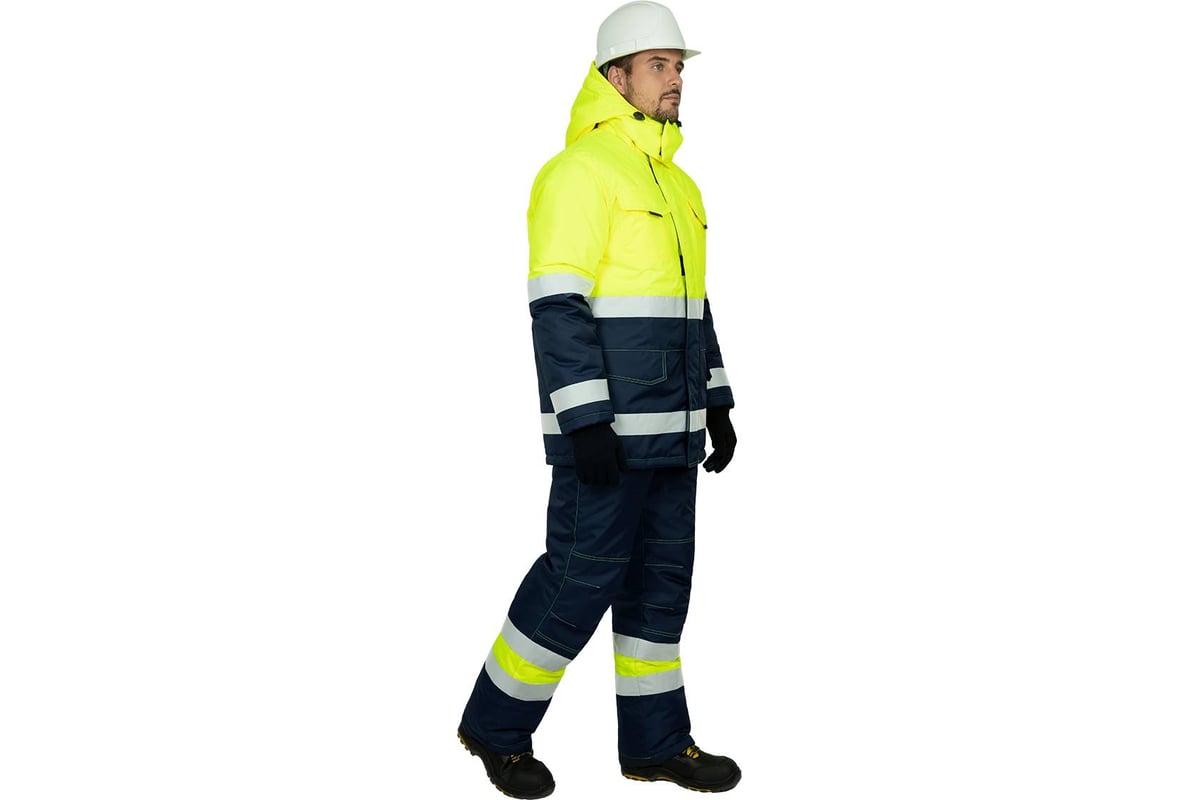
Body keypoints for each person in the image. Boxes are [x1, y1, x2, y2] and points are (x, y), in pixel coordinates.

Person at [456, 2, 740, 796]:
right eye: (659, 65)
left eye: (678, 66)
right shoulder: (578, 173)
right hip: (608, 435)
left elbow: (691, 307)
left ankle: (656, 743)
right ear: (616, 77)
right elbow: (558, 307)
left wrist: (717, 401)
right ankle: (494, 728)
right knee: (578, 580)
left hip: (674, 433)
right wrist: (583, 420)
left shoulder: (678, 184)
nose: (675, 79)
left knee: (660, 588)